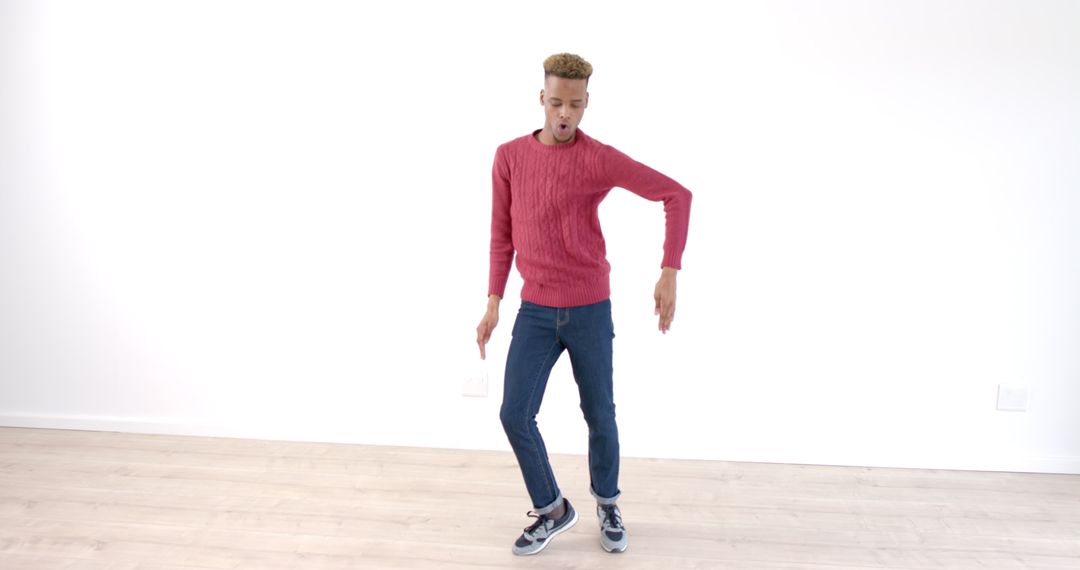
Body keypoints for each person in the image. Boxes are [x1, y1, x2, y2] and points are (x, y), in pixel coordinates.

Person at [475, 53, 692, 556]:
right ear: (541, 100)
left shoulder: (598, 157)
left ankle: (608, 502)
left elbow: (677, 195)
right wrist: (493, 303)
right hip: (535, 310)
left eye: (575, 104)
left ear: (587, 102)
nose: (564, 114)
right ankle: (552, 508)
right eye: (555, 103)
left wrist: (669, 269)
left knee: (600, 413)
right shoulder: (509, 157)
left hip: (590, 307)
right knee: (514, 413)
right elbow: (500, 236)